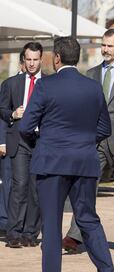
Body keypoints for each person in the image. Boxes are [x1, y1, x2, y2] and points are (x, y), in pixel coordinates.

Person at [19, 36, 114, 272]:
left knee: (51, 226)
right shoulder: (93, 87)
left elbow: (25, 127)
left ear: (57, 58)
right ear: (78, 58)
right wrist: (84, 142)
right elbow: (105, 128)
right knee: (88, 220)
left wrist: (43, 143)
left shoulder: (45, 85)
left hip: (51, 163)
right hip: (85, 162)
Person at [63, 29, 114, 253]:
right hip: (95, 142)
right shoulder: (90, 74)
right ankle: (74, 236)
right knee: (85, 187)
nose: (105, 50)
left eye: (110, 46)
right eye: (104, 45)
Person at [0, 42, 43, 248]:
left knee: (36, 189)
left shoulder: (50, 83)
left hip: (42, 143)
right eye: (28, 59)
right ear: (23, 60)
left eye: (35, 59)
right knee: (19, 186)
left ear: (41, 59)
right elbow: (1, 109)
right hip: (19, 141)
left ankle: (30, 233)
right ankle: (14, 233)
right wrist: (12, 114)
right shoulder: (11, 84)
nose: (32, 63)